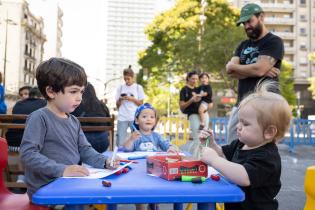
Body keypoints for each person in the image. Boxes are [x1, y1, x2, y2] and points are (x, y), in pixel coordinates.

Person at [20, 58, 120, 199]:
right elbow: (28, 155)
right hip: (47, 188)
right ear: (51, 91)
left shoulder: (74, 121)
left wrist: (105, 161)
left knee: (108, 194)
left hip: (69, 183)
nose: (79, 98)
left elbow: (85, 150)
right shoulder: (39, 118)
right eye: (73, 91)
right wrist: (63, 170)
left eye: (81, 92)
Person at [200, 81, 292, 210]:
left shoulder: (268, 157)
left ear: (269, 132)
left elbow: (244, 177)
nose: (238, 126)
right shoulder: (241, 144)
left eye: (245, 124)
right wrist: (211, 143)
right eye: (239, 121)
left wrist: (214, 159)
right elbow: (222, 154)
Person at [225, 3, 284, 142]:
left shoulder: (274, 41)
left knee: (263, 147)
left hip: (266, 103)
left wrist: (255, 69)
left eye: (249, 21)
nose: (246, 26)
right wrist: (258, 69)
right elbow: (230, 70)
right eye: (243, 23)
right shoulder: (242, 45)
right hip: (242, 103)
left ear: (261, 17)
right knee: (233, 144)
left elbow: (259, 69)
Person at [123, 103, 177, 210]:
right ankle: (140, 206)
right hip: (138, 169)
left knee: (156, 187)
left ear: (155, 121)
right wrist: (131, 139)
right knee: (138, 190)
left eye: (152, 117)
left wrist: (170, 148)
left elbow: (166, 144)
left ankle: (154, 204)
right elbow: (127, 149)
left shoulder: (156, 136)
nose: (149, 119)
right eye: (144, 116)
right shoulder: (135, 135)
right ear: (137, 120)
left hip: (154, 168)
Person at [72, 82, 110, 153]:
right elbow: (109, 124)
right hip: (103, 143)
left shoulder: (78, 106)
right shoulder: (103, 106)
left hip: (85, 143)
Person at [6, 87, 47, 151]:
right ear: (41, 96)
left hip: (11, 145)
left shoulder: (18, 104)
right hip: (30, 149)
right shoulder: (44, 104)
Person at [115, 65, 145, 146]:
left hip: (134, 117)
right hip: (122, 117)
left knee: (136, 140)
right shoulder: (120, 88)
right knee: (120, 141)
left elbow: (141, 104)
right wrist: (121, 99)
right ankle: (119, 156)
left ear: (133, 77)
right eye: (125, 79)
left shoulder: (138, 88)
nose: (126, 81)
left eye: (128, 79)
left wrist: (132, 99)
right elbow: (117, 105)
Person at [179, 71, 209, 143]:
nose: (195, 81)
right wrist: (191, 100)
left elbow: (209, 102)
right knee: (197, 138)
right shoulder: (184, 90)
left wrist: (205, 107)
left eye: (196, 79)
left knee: (205, 137)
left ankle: (205, 154)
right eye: (193, 79)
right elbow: (181, 107)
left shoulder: (199, 89)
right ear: (188, 78)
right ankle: (196, 154)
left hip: (204, 114)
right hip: (193, 115)